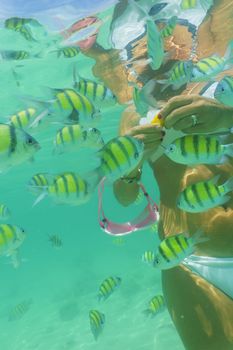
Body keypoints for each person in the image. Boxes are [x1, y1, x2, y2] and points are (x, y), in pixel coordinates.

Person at [76, 1, 233, 348]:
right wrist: (130, 166)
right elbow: (124, 197)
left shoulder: (224, 81)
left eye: (162, 39)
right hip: (191, 265)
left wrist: (227, 119)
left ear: (184, 41)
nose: (154, 58)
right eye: (138, 50)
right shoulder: (134, 113)